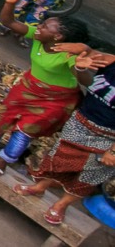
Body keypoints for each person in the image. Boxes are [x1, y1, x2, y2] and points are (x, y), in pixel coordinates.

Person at [0, 0, 97, 178]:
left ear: (57, 36)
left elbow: (86, 82)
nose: (39, 27)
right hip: (28, 86)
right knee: (3, 115)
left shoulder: (68, 56)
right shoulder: (38, 36)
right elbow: (8, 22)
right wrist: (9, 3)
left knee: (25, 130)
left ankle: (2, 162)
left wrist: (80, 67)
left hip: (55, 99)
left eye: (45, 27)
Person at [18, 45, 115, 226]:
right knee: (60, 158)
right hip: (82, 120)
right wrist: (80, 68)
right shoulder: (108, 62)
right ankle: (40, 187)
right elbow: (88, 82)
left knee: (90, 174)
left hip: (110, 137)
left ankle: (61, 204)